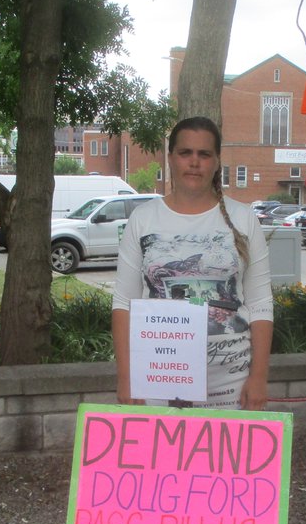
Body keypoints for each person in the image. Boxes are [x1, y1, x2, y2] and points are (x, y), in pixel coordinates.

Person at [111, 116, 273, 410]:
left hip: (230, 384)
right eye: (185, 153)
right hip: (157, 379)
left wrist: (259, 378)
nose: (194, 162)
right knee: (161, 457)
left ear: (216, 161)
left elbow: (261, 304)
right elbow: (124, 303)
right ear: (171, 158)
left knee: (225, 459)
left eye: (204, 154)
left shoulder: (244, 219)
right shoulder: (143, 219)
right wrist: (126, 376)